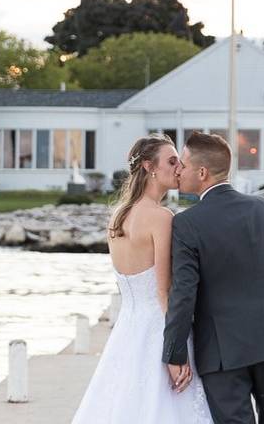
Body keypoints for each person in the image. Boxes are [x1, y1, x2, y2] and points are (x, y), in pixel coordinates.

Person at [71, 134, 212, 424]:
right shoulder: (161, 217)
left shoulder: (117, 217)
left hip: (127, 331)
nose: (179, 167)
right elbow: (164, 290)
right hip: (159, 329)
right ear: (149, 166)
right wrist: (176, 354)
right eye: (172, 161)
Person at [164, 132, 264, 423]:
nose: (179, 171)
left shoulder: (187, 223)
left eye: (183, 165)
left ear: (202, 173)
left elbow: (184, 292)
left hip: (223, 350)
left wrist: (174, 352)